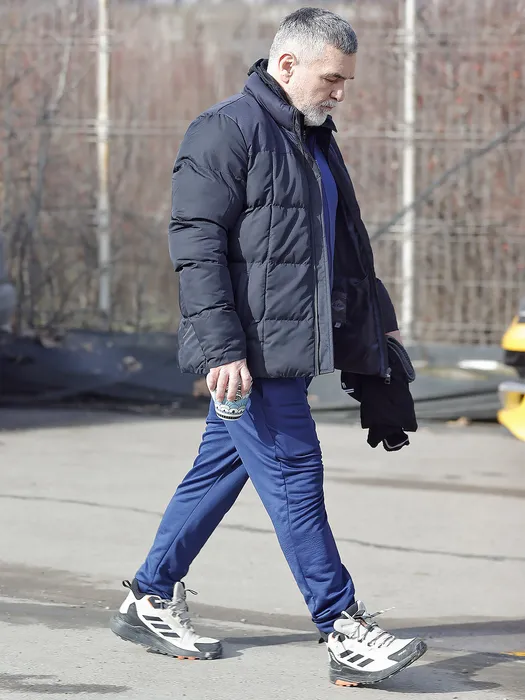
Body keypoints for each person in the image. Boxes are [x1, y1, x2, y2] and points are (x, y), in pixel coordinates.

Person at [110, 7, 427, 687]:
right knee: (293, 475)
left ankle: (150, 595)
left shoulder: (313, 138)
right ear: (287, 64)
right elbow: (195, 248)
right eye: (331, 78)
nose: (340, 92)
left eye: (345, 81)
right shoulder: (226, 130)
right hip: (250, 356)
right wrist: (223, 349)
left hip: (286, 347)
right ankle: (342, 627)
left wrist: (380, 323)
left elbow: (346, 245)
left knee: (217, 472)